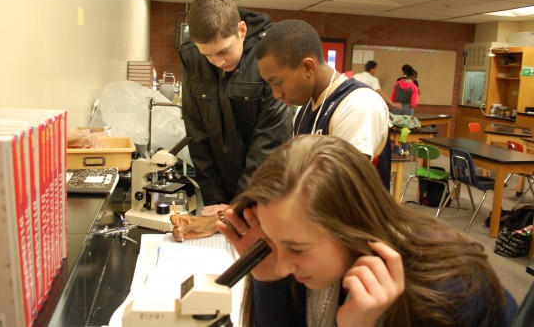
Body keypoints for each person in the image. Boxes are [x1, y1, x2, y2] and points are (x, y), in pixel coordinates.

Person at [218, 135, 518, 327]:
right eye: (272, 241)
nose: (282, 264)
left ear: (352, 227)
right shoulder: (311, 265)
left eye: (296, 248)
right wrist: (267, 279)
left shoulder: (446, 294)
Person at [174, 0, 293, 239]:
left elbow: (268, 144)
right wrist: (216, 207)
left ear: (241, 30)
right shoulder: (191, 55)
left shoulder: (270, 55)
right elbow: (198, 135)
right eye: (208, 55)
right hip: (219, 190)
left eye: (224, 52)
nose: (217, 62)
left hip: (261, 190)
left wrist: (237, 208)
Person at [255, 19, 391, 187]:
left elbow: (342, 190)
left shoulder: (359, 104)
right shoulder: (304, 108)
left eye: (277, 82)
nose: (276, 94)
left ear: (308, 67)